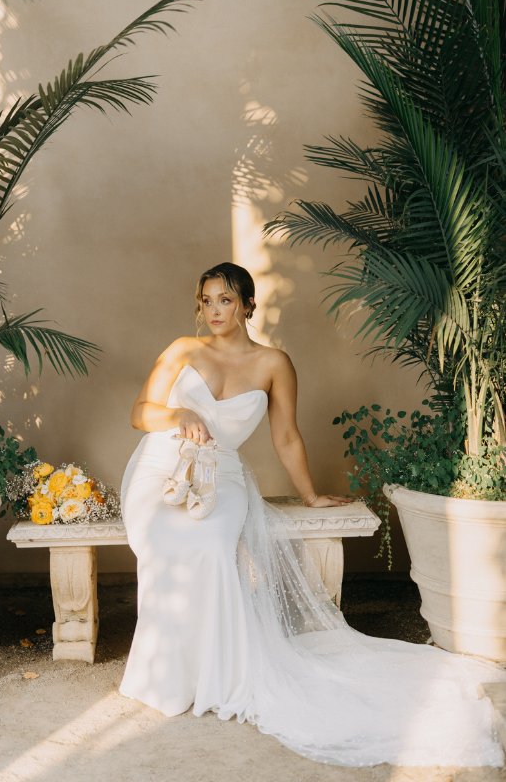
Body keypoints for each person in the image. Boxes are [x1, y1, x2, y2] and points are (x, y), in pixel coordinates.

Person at [119, 260, 503, 767]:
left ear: (247, 305)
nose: (214, 310)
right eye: (207, 300)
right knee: (168, 542)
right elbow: (139, 412)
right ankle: (161, 675)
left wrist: (309, 495)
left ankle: (213, 675)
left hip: (224, 477)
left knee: (211, 546)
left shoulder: (274, 363)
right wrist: (179, 413)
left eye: (226, 300)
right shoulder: (182, 350)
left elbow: (285, 436)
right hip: (161, 471)